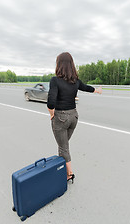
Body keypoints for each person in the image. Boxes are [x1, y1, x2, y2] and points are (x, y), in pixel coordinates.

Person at [47, 52, 102, 183]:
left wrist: (51, 114)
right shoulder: (75, 81)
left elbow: (51, 103)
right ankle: (65, 169)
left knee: (63, 148)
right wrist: (97, 90)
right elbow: (86, 88)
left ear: (58, 65)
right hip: (74, 117)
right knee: (64, 145)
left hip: (61, 117)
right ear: (71, 65)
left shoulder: (55, 80)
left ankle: (69, 174)